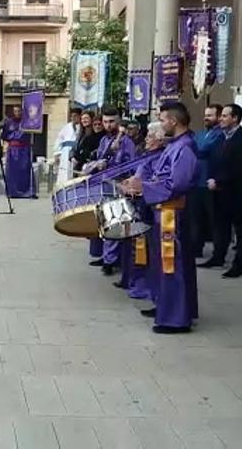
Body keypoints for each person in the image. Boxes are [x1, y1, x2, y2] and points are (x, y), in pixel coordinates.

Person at [120, 103, 198, 334]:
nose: (160, 123)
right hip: (161, 211)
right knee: (162, 265)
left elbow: (177, 184)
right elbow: (160, 176)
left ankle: (175, 318)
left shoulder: (185, 148)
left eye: (162, 119)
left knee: (171, 263)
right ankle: (166, 306)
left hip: (171, 214)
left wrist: (143, 186)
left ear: (173, 121)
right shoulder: (175, 146)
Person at [199, 104, 242, 278]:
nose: (221, 119)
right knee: (219, 225)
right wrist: (211, 179)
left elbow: (239, 167)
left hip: (235, 191)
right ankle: (218, 256)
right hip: (217, 189)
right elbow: (213, 160)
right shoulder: (221, 137)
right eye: (221, 116)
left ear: (235, 118)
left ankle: (239, 264)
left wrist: (219, 180)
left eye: (225, 116)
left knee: (239, 229)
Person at [122, 123, 166, 301]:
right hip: (141, 204)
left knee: (148, 252)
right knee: (138, 249)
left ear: (159, 139)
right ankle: (136, 283)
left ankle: (146, 288)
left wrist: (140, 188)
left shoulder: (160, 157)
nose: (146, 139)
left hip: (151, 208)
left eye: (150, 136)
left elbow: (156, 181)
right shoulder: (148, 155)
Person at [93, 107, 136, 276]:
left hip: (119, 186)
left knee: (116, 223)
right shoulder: (104, 140)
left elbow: (133, 166)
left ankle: (112, 261)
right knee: (106, 222)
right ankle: (107, 257)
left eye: (112, 121)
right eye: (105, 121)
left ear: (118, 122)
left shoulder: (127, 142)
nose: (108, 125)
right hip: (105, 185)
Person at [191, 104, 224, 258]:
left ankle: (218, 252)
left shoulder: (220, 135)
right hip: (197, 181)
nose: (206, 118)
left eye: (210, 115)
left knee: (215, 220)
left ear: (218, 117)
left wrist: (194, 148)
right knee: (196, 217)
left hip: (211, 181)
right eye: (206, 115)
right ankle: (196, 247)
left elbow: (202, 150)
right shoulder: (201, 133)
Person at [1, 106, 36, 198]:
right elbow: (4, 135)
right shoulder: (9, 123)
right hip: (13, 150)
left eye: (19, 111)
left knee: (25, 170)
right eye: (15, 111)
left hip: (24, 149)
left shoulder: (27, 122)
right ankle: (12, 192)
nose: (17, 113)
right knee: (12, 172)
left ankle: (28, 192)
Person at [53, 108, 82, 185]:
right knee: (64, 171)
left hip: (75, 151)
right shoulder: (66, 127)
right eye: (72, 116)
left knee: (73, 171)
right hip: (65, 152)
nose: (73, 118)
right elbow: (59, 139)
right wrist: (57, 153)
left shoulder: (82, 127)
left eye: (75, 116)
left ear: (79, 116)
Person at [71, 111, 98, 175]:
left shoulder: (95, 134)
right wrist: (72, 157)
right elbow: (74, 148)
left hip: (88, 167)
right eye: (82, 119)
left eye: (86, 118)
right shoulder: (80, 134)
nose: (84, 120)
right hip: (77, 167)